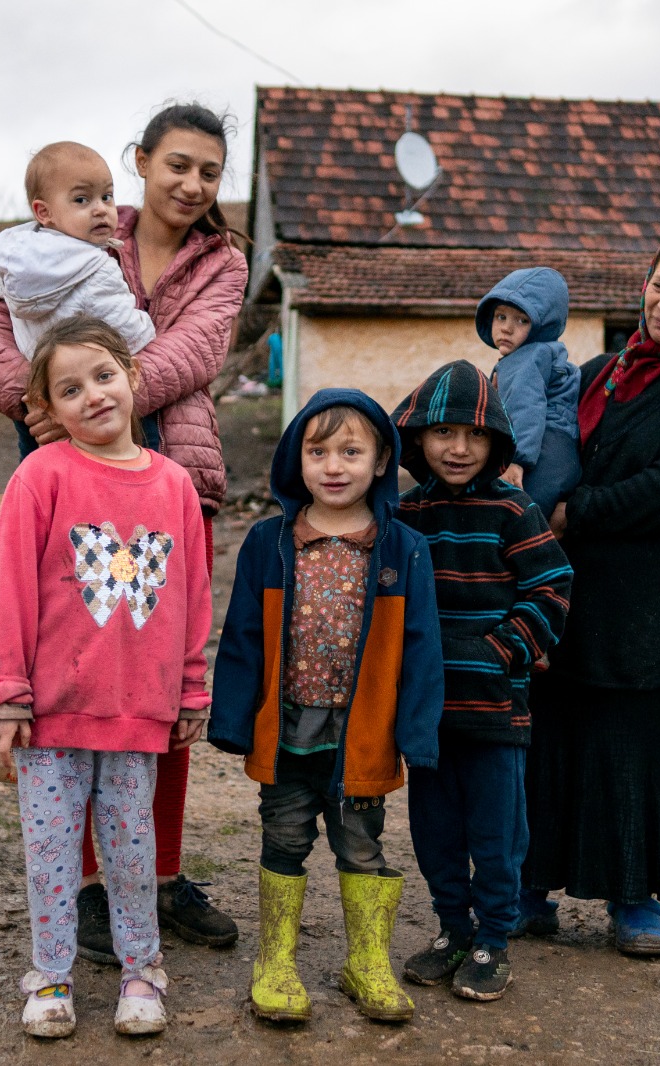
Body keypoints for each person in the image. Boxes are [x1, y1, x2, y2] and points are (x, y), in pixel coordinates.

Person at [0, 103, 247, 961]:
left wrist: (90, 400)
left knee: (159, 685)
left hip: (171, 478)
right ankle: (89, 886)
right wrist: (35, 400)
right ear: (142, 161)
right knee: (71, 673)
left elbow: (194, 352)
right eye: (178, 165)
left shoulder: (223, 261)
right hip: (68, 480)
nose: (192, 185)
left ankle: (158, 876)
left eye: (209, 172)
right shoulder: (80, 224)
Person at [0, 315, 212, 1037]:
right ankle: (51, 976)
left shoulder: (175, 486)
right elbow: (8, 588)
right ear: (46, 408)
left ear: (134, 377)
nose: (94, 396)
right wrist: (5, 694)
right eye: (70, 389)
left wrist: (191, 688)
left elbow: (192, 595)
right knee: (52, 855)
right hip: (51, 715)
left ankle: (142, 971)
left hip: (137, 715)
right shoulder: (41, 476)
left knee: (133, 852)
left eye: (104, 376)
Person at [521, 227, 660, 958]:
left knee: (631, 750)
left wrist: (572, 512)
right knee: (549, 744)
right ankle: (528, 889)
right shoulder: (599, 374)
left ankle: (635, 899)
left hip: (643, 604)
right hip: (561, 596)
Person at [209, 389, 444, 1025]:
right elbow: (242, 637)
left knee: (362, 847)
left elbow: (422, 649)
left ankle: (366, 962)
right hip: (288, 732)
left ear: (380, 461)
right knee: (284, 838)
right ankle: (275, 962)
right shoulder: (269, 542)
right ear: (296, 459)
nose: (333, 466)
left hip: (362, 735)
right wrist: (231, 721)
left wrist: (417, 735)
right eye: (318, 452)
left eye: (351, 452)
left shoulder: (403, 550)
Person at [389, 361, 572, 1002]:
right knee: (434, 832)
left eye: (474, 434)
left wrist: (503, 651)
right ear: (417, 438)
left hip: (496, 709)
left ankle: (494, 937)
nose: (458, 448)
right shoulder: (406, 513)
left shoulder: (513, 510)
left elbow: (551, 587)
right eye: (443, 432)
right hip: (426, 713)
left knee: (497, 836)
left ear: (496, 441)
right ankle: (452, 929)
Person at [0, 140, 155, 361]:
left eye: (106, 196)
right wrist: (148, 323)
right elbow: (131, 336)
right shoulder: (96, 270)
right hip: (85, 370)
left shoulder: (13, 258)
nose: (101, 209)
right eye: (81, 199)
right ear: (44, 212)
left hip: (39, 367)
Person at [475, 267, 581, 518]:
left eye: (522, 320)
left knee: (520, 518)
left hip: (541, 449)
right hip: (559, 451)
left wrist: (517, 460)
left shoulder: (529, 357)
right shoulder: (543, 354)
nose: (507, 328)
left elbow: (526, 406)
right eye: (501, 317)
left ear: (543, 325)